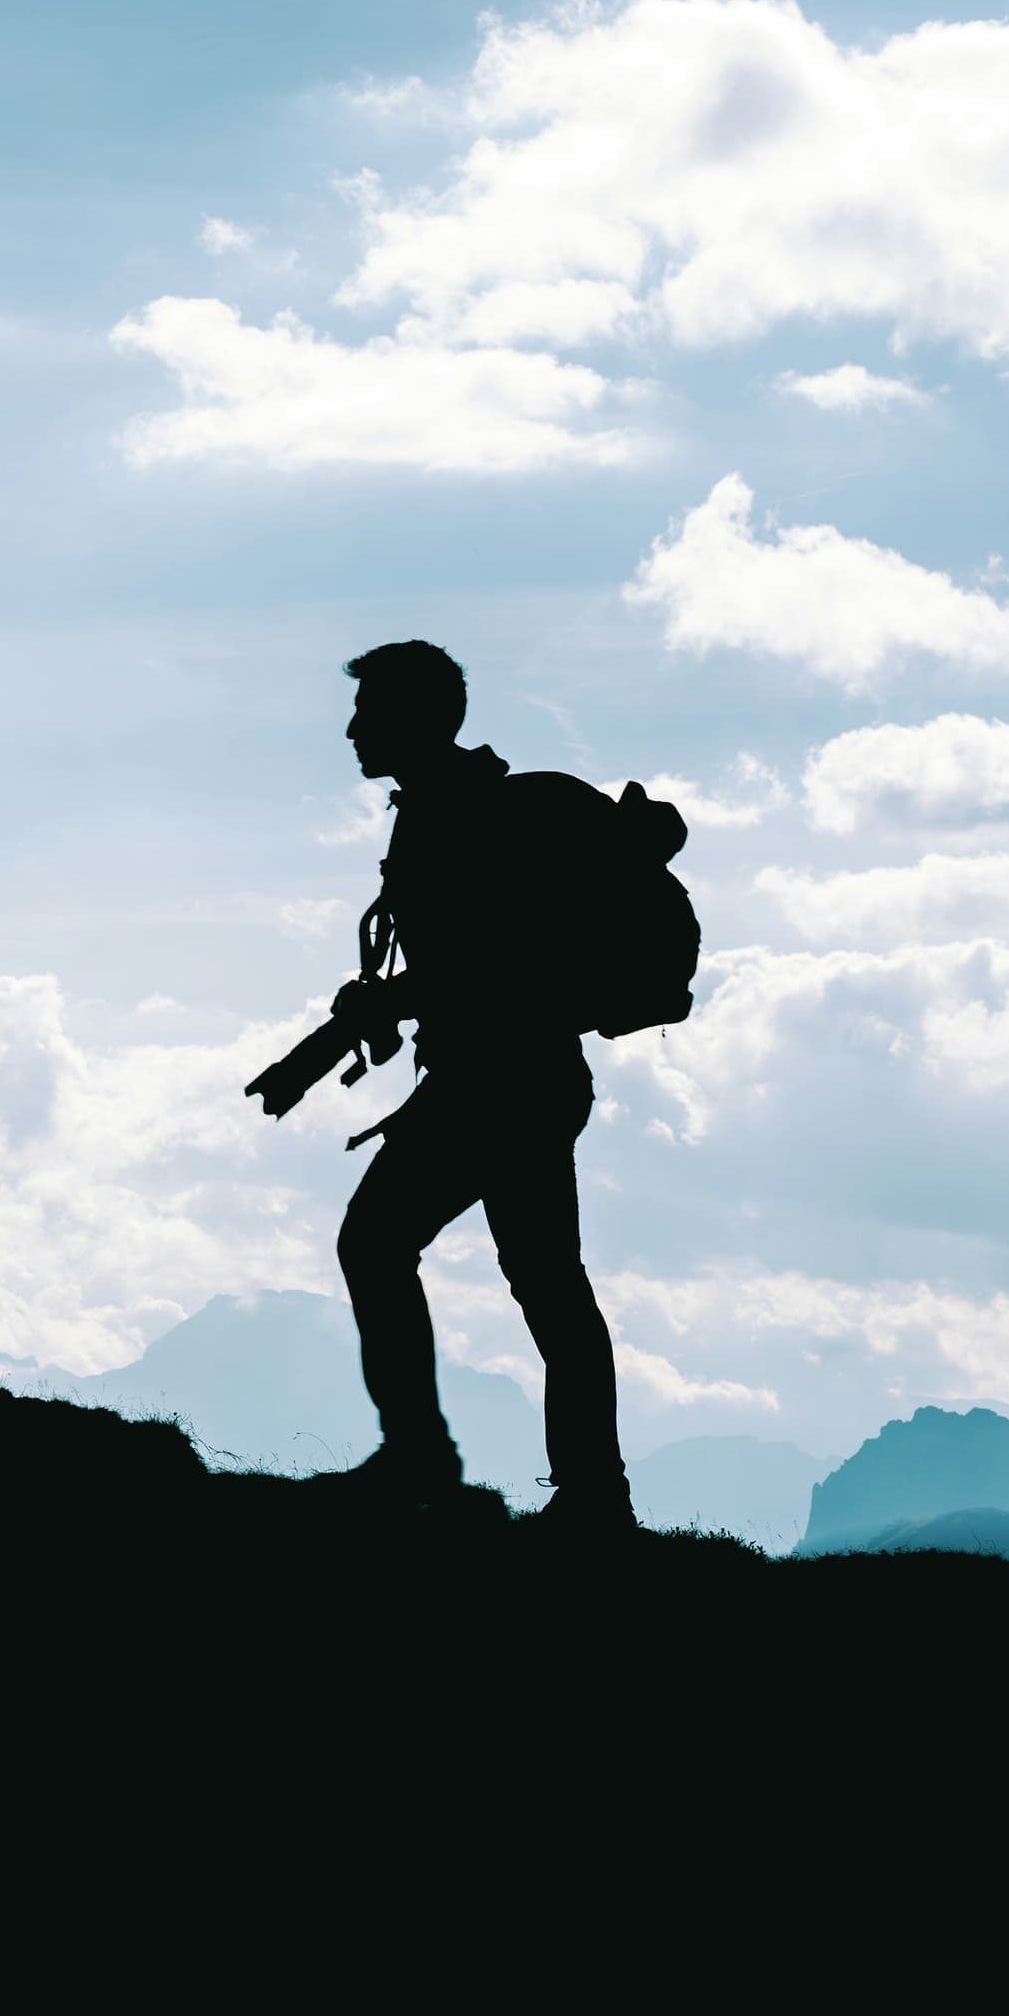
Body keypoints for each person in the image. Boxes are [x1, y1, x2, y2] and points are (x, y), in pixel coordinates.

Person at [246, 640, 633, 1531]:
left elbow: (486, 961)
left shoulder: (457, 814)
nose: (351, 730)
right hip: (518, 1077)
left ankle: (430, 1461)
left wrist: (384, 1001)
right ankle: (588, 1495)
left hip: (498, 1080)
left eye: (368, 712)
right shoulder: (438, 806)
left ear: (417, 719)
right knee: (544, 1283)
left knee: (380, 1244)